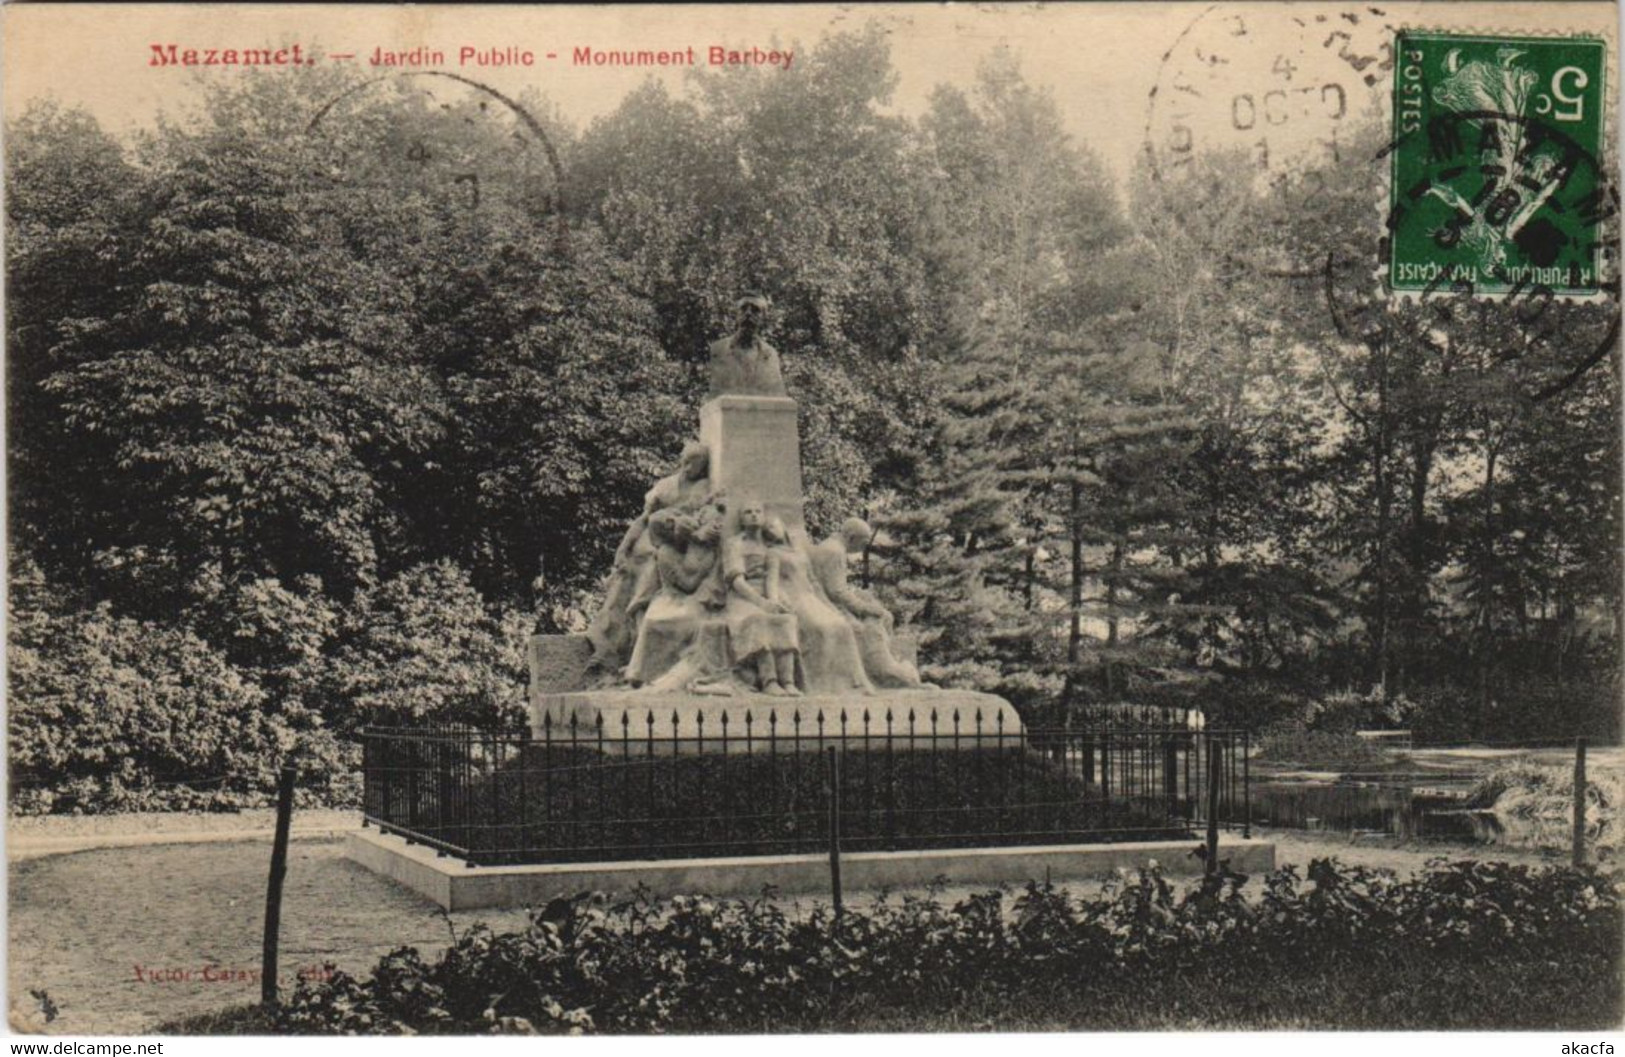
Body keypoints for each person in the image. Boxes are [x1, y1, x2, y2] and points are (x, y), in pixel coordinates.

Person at [585, 440, 715, 670]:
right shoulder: (665, 486)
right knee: (625, 580)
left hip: (679, 547)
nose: (687, 469)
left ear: (703, 467)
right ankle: (610, 644)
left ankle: (637, 651)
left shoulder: (704, 489)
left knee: (649, 580)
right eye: (685, 462)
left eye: (695, 465)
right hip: (651, 542)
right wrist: (623, 548)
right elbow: (642, 520)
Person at [808, 517, 933, 690]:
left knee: (878, 616)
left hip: (823, 602)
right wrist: (866, 608)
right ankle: (890, 676)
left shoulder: (828, 546)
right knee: (870, 626)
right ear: (851, 537)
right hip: (828, 607)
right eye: (864, 541)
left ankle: (893, 670)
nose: (864, 547)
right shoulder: (834, 551)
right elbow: (837, 592)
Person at [764, 517, 873, 695]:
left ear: (783, 527)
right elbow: (772, 581)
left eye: (773, 525)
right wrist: (774, 601)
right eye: (766, 528)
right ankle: (817, 683)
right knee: (822, 629)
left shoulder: (799, 552)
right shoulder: (773, 553)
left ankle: (851, 682)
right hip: (794, 599)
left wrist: (829, 606)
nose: (770, 530)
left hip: (811, 597)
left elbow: (814, 582)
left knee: (841, 626)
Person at [623, 509, 720, 687]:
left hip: (688, 600)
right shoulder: (665, 553)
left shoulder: (692, 547)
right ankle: (641, 675)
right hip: (671, 599)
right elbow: (688, 584)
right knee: (657, 622)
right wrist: (706, 569)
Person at [721, 498, 801, 696]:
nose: (754, 515)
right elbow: (737, 581)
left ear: (764, 516)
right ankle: (769, 681)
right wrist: (762, 604)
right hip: (742, 597)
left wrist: (773, 602)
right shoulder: (735, 544)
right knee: (758, 618)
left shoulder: (770, 549)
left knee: (785, 619)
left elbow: (771, 581)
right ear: (741, 518)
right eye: (748, 512)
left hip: (764, 596)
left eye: (758, 511)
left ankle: (788, 681)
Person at [707, 293, 788, 398]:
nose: (748, 313)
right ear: (736, 315)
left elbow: (779, 399)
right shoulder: (717, 350)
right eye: (743, 308)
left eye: (755, 310)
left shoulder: (771, 355)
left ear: (763, 318)